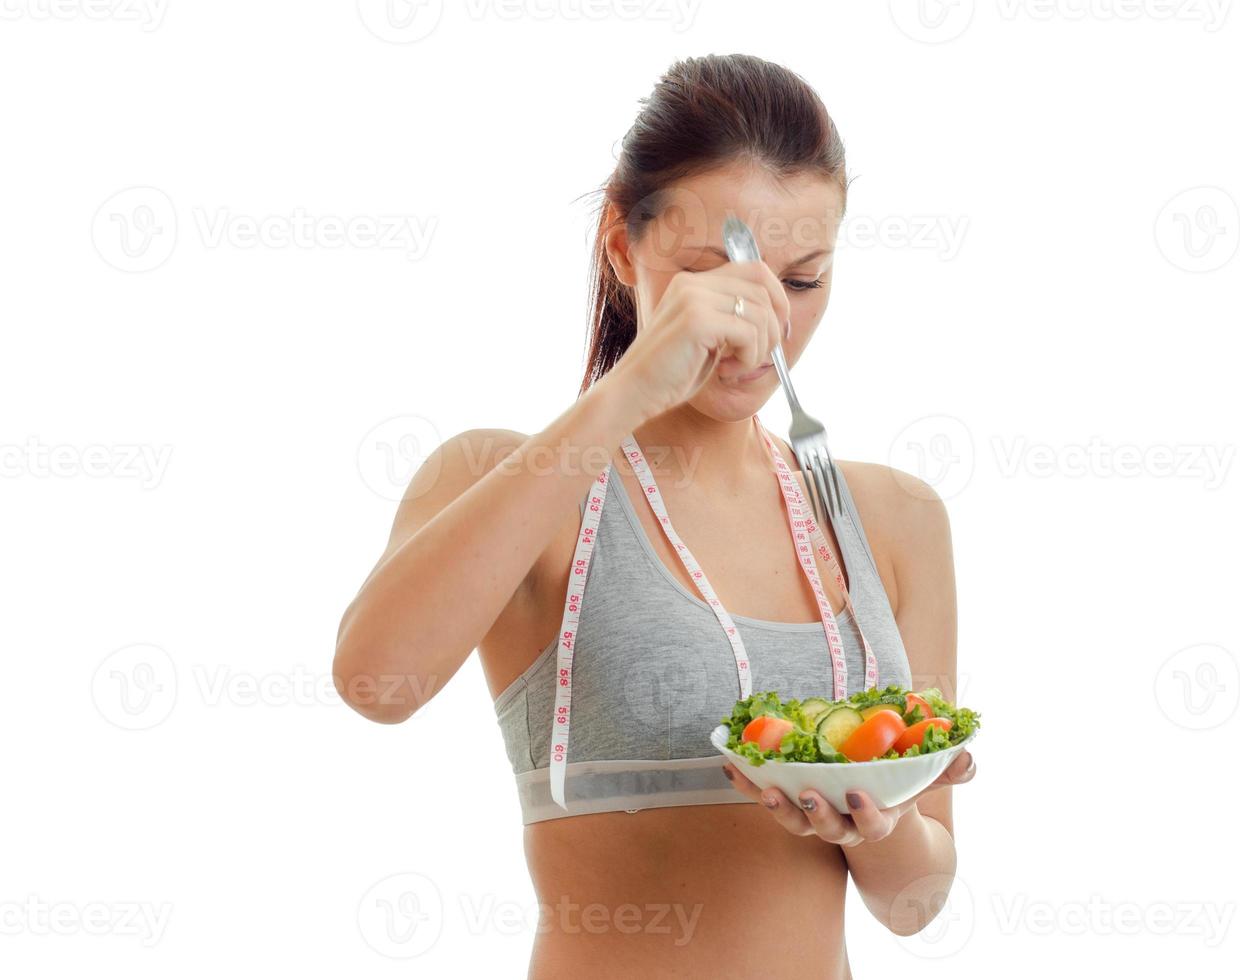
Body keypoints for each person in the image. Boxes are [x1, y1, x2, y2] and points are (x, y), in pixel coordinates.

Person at [333, 52, 974, 978]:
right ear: (620, 242)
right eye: (713, 272)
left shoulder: (893, 519)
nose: (761, 324)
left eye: (802, 282)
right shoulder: (506, 479)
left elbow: (916, 904)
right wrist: (631, 388)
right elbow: (373, 683)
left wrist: (879, 825)